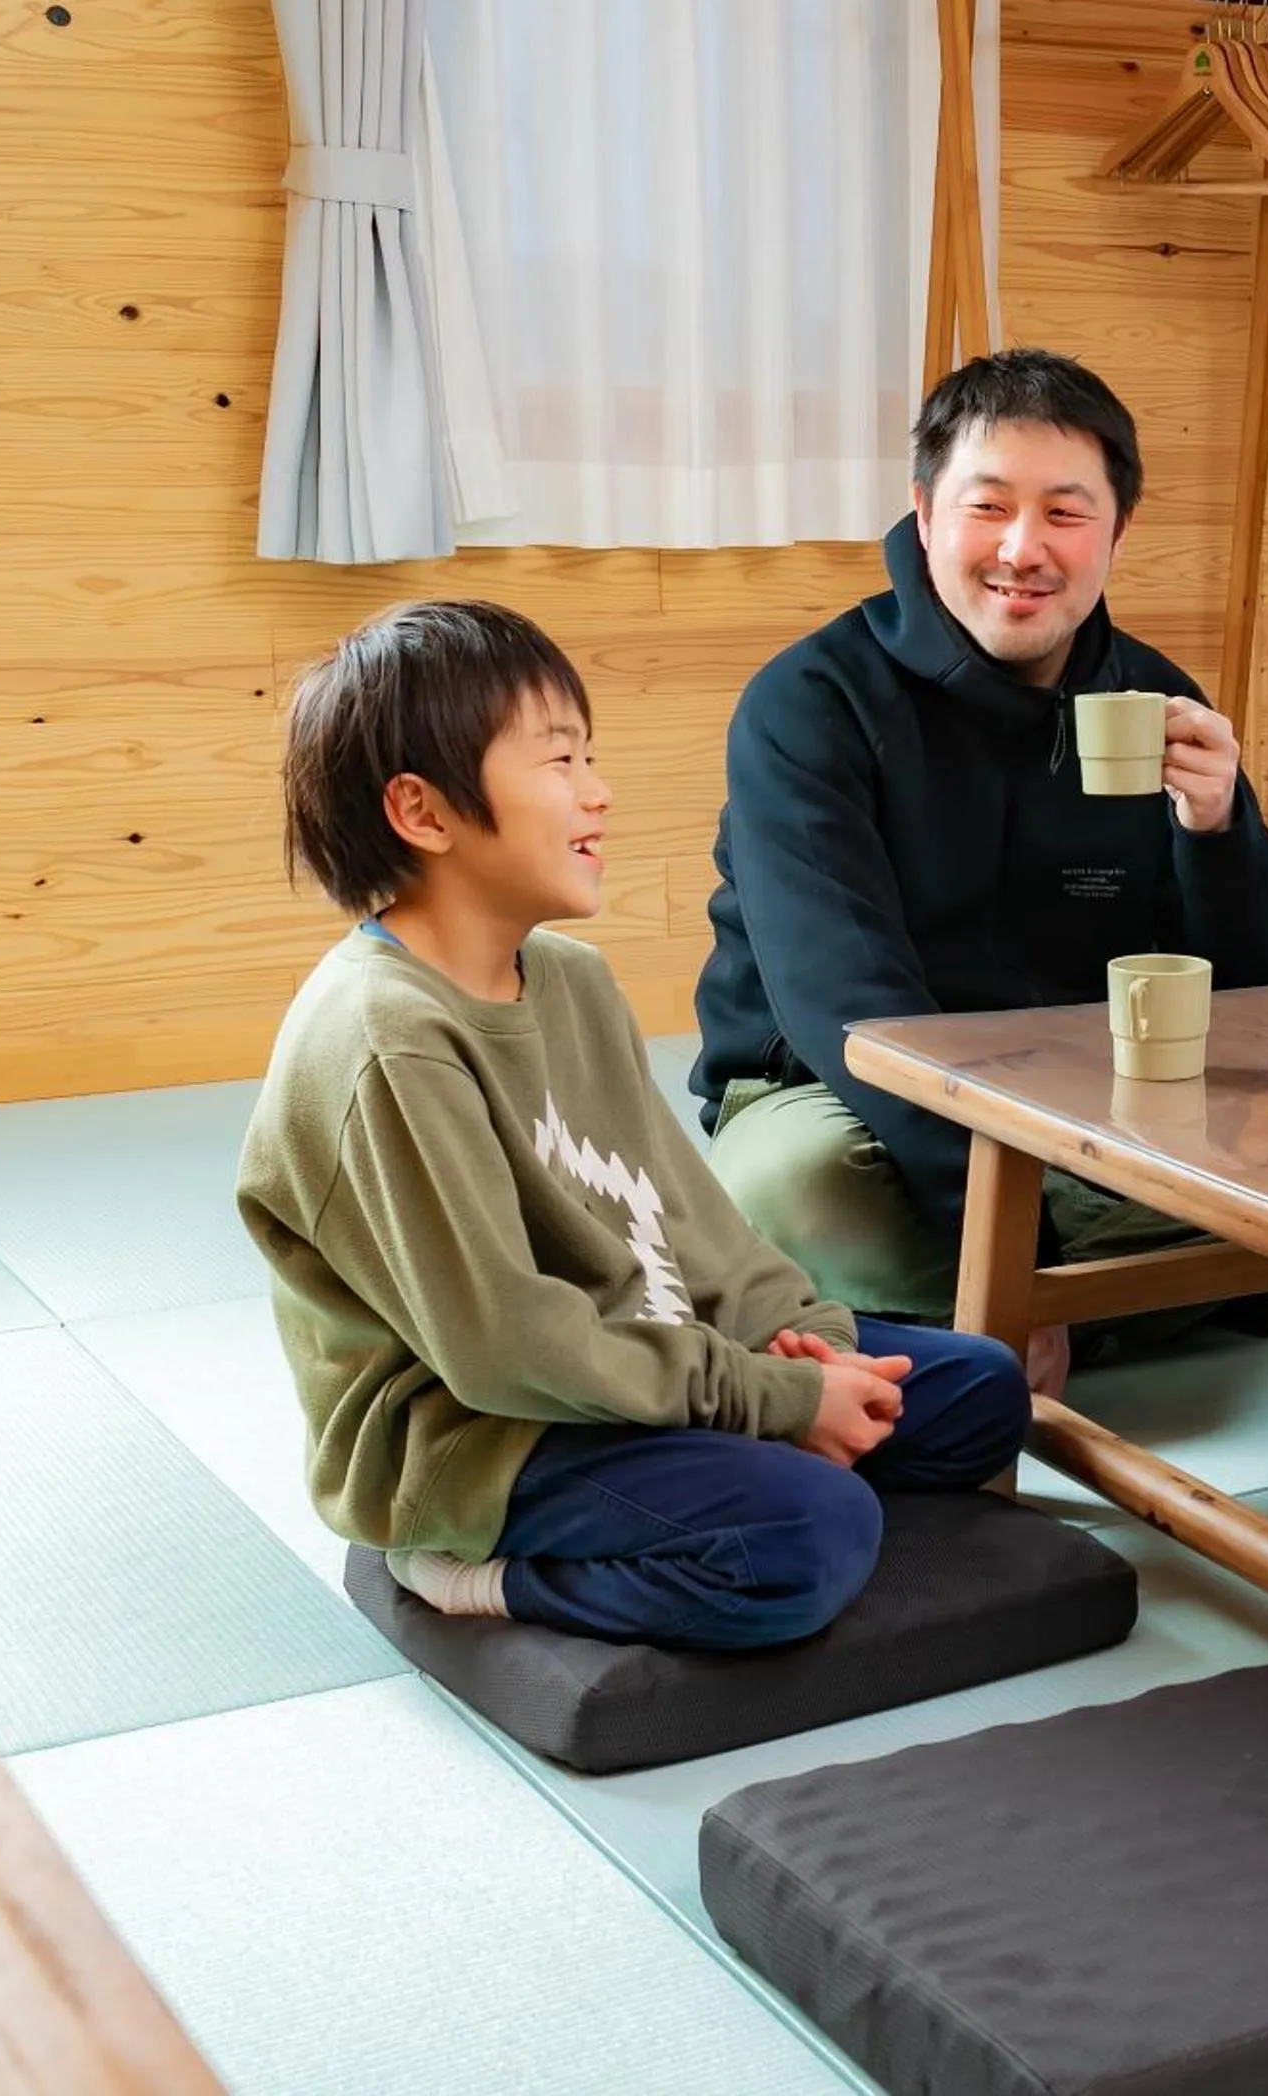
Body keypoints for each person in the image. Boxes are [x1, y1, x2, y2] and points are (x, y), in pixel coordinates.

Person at [235, 602, 1031, 1649]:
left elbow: (691, 1221)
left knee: (982, 1387)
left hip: (633, 1355)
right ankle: (474, 1574)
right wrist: (775, 1400)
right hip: (479, 1433)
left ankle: (740, 1462)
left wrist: (811, 1346)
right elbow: (505, 1347)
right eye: (560, 762)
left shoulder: (570, 979)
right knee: (811, 1533)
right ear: (423, 813)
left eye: (590, 757)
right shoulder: (386, 1039)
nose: (599, 793)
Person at [691, 349, 1268, 1395]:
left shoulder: (1154, 701)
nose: (1023, 550)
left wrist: (1218, 830)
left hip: (1080, 1094)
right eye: (988, 507)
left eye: (1066, 515)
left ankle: (941, 1323)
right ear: (925, 513)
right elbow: (847, 1012)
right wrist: (1014, 1261)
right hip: (846, 1097)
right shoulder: (809, 704)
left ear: (1118, 531)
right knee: (791, 1186)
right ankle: (1135, 1292)